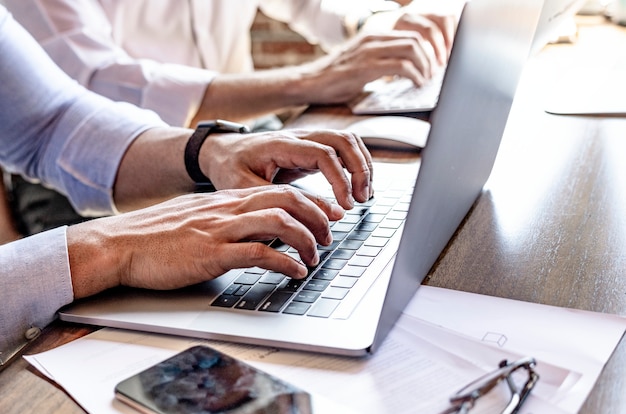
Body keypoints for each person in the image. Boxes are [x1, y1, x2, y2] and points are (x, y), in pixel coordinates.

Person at [0, 6, 373, 365]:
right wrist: (107, 246)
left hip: (165, 145)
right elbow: (96, 79)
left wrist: (207, 151)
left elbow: (48, 124)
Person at [1, 0, 456, 240]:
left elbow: (311, 3)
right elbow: (93, 89)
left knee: (345, 230)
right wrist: (310, 80)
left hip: (229, 138)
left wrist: (374, 25)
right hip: (77, 183)